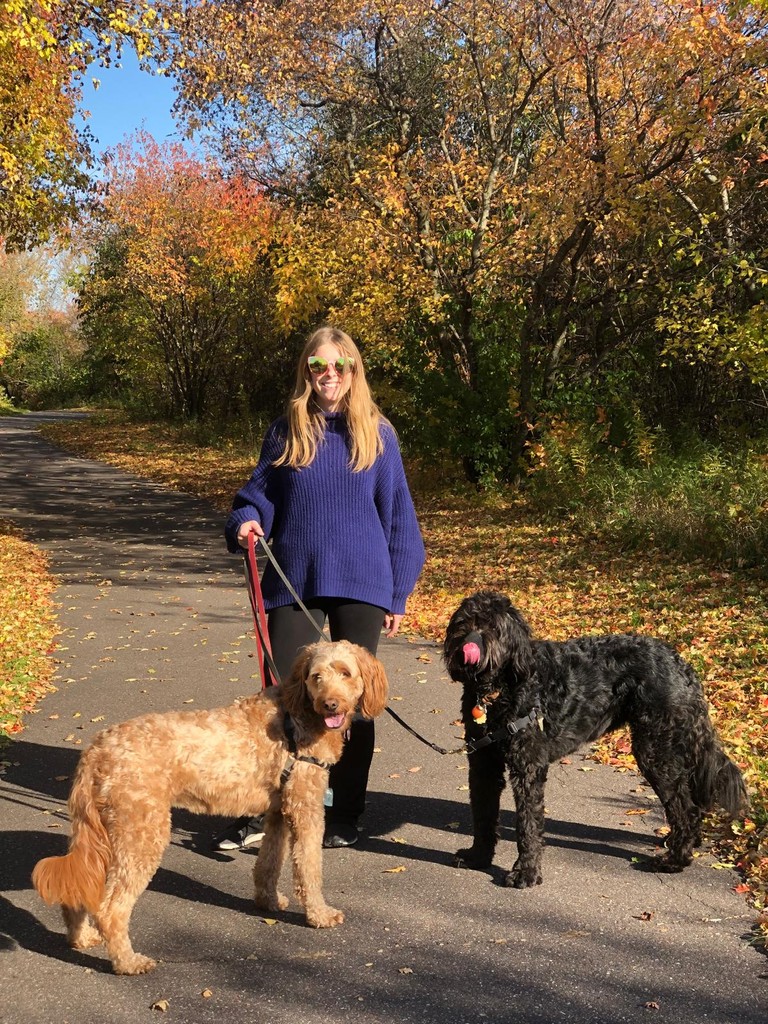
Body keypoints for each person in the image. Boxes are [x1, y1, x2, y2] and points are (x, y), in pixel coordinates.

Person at [212, 326, 425, 850]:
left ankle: (345, 812)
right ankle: (266, 811)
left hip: (363, 583)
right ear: (306, 372)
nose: (329, 375)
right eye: (318, 366)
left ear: (354, 371)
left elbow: (399, 520)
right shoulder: (287, 431)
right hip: (294, 579)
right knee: (283, 702)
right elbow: (256, 496)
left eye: (340, 366)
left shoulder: (378, 434)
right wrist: (244, 520)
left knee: (351, 701)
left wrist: (397, 593)